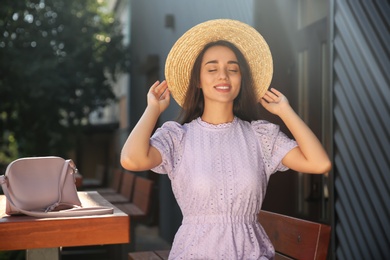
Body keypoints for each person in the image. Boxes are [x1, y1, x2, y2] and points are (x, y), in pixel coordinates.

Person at [121, 19, 331, 260]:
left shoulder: (260, 136)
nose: (223, 76)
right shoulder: (178, 137)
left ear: (241, 80)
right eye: (212, 69)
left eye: (233, 69)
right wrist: (153, 110)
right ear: (198, 80)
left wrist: (286, 111)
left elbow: (319, 163)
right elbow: (131, 160)